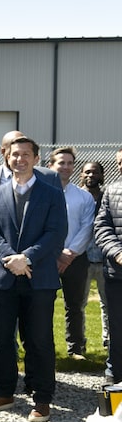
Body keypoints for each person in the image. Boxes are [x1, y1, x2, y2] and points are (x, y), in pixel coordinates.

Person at [0, 137, 67, 422]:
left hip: (39, 278)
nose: (20, 159)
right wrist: (11, 259)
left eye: (26, 154)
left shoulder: (52, 193)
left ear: (37, 159)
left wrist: (25, 258)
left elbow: (56, 233)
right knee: (1, 339)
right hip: (3, 277)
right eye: (15, 154)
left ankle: (42, 398)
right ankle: (4, 392)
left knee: (39, 340)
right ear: (7, 158)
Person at [47, 147, 95, 360]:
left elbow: (87, 227)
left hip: (75, 259)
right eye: (61, 163)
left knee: (75, 305)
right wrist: (56, 253)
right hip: (46, 257)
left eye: (69, 163)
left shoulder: (83, 197)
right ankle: (43, 347)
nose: (66, 167)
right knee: (42, 305)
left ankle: (75, 349)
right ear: (51, 165)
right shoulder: (41, 193)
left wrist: (69, 253)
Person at [95, 149, 122, 384]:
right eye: (120, 163)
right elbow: (102, 228)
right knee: (117, 326)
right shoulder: (111, 192)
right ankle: (115, 374)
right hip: (117, 273)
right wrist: (117, 253)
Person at [79, 161, 108, 350]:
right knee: (77, 305)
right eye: (87, 172)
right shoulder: (76, 196)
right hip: (81, 260)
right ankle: (78, 345)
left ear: (101, 175)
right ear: (81, 174)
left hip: (106, 259)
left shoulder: (107, 197)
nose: (91, 175)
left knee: (109, 304)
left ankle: (109, 341)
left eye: (95, 172)